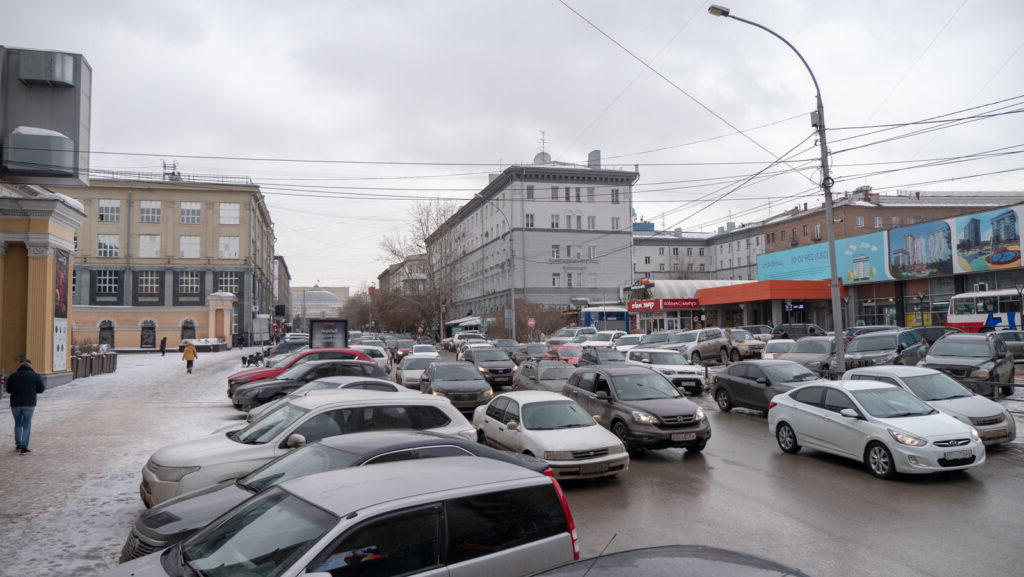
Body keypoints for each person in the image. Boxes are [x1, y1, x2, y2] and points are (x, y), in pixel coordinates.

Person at [6, 359, 45, 455]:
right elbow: (41, 389)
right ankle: (24, 447)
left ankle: (18, 444)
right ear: (30, 366)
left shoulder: (13, 376)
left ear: (20, 366)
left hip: (15, 404)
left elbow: (9, 390)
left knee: (18, 424)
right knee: (27, 425)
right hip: (29, 403)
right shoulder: (35, 376)